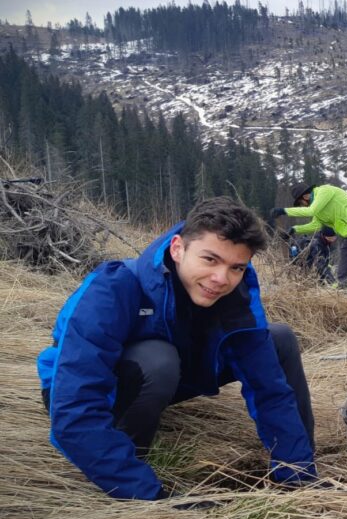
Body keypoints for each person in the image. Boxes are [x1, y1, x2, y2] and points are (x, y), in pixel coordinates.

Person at [37, 197, 318, 501]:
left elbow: (270, 391)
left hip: (172, 376)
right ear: (177, 248)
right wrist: (148, 494)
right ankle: (128, 458)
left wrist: (300, 480)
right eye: (210, 259)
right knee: (159, 359)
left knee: (278, 338)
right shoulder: (114, 287)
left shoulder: (234, 295)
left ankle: (297, 471)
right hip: (84, 389)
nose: (221, 279)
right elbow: (73, 408)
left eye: (236, 267)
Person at [272, 183, 347, 287]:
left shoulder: (324, 191)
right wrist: (294, 230)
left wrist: (284, 211)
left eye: (300, 203)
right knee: (344, 272)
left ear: (305, 196)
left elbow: (311, 211)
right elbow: (316, 225)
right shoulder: (319, 209)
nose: (302, 206)